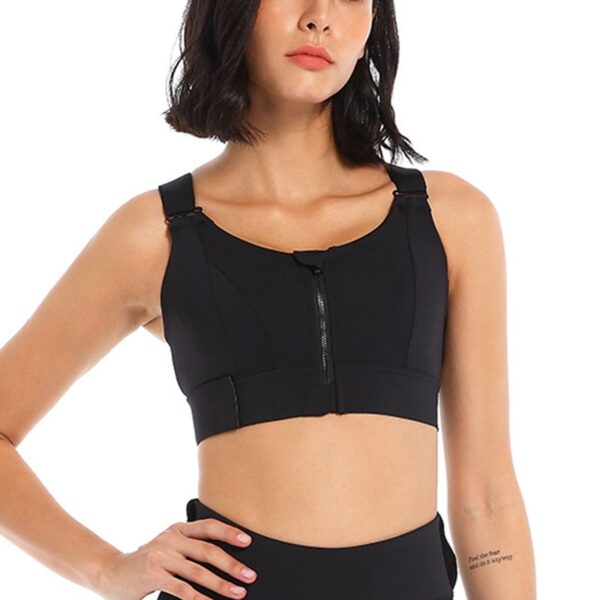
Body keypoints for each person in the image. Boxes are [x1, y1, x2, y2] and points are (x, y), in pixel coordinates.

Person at [0, 0, 536, 599]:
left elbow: (488, 499)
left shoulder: (449, 220)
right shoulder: (158, 235)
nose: (319, 16)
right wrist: (105, 570)